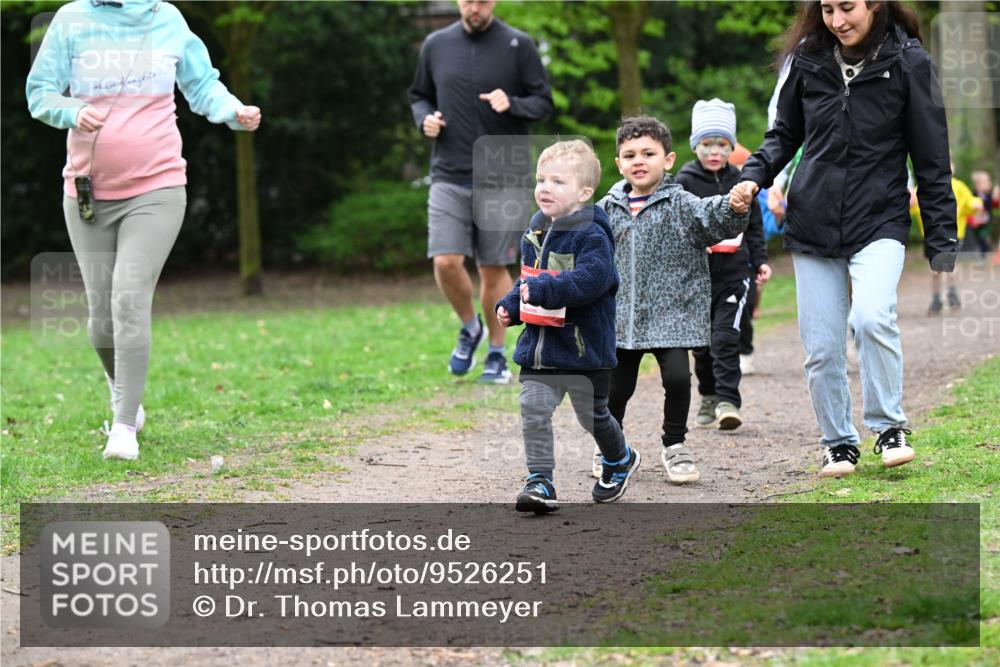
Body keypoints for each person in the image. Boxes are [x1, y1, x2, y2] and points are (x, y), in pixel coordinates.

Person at [26, 0, 261, 461]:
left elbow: (202, 85)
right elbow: (40, 94)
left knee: (129, 298)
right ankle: (126, 394)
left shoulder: (167, 18)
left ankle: (123, 428)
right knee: (100, 320)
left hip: (158, 186)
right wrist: (72, 111)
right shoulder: (72, 19)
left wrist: (233, 110)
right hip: (87, 192)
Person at [732, 0, 957, 478]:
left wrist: (941, 236)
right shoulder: (808, 59)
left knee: (873, 317)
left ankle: (889, 427)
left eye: (848, 7)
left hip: (879, 217)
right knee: (821, 345)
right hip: (812, 219)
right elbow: (784, 134)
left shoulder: (911, 63)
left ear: (875, 4)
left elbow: (933, 157)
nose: (838, 20)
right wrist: (755, 177)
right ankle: (838, 442)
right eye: (828, 9)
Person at [596, 116, 750, 484]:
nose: (639, 160)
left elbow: (710, 217)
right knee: (617, 388)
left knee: (679, 379)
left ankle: (675, 445)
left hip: (672, 313)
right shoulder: (606, 209)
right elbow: (584, 250)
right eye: (630, 154)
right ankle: (612, 450)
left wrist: (734, 206)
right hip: (623, 316)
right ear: (618, 163)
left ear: (667, 160)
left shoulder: (680, 202)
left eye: (648, 153)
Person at [408, 0, 553, 384]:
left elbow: (543, 102)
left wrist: (514, 103)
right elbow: (419, 95)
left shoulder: (518, 44)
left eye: (483, 0)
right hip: (449, 172)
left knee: (493, 269)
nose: (476, 7)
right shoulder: (435, 44)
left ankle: (496, 352)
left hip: (503, 172)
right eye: (469, 0)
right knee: (445, 261)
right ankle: (469, 326)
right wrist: (425, 118)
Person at [495, 140, 639, 513]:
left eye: (557, 181)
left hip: (583, 348)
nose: (544, 187)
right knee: (533, 410)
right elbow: (528, 278)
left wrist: (543, 289)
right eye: (541, 179)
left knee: (592, 415)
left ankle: (619, 457)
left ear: (583, 193)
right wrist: (512, 304)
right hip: (540, 348)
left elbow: (593, 280)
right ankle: (540, 479)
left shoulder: (591, 233)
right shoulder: (537, 229)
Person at [676, 99, 771, 431]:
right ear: (695, 146)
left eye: (722, 144)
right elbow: (678, 225)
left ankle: (729, 401)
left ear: (732, 147)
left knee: (726, 337)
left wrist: (759, 261)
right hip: (697, 276)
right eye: (706, 144)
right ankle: (709, 395)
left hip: (734, 273)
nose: (714, 151)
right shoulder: (683, 182)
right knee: (701, 345)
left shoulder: (743, 181)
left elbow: (755, 225)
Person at [910, 165, 980, 314]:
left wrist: (976, 204)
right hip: (931, 236)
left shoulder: (959, 187)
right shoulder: (924, 185)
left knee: (950, 267)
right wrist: (911, 203)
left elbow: (970, 202)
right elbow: (914, 205)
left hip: (954, 235)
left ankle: (952, 295)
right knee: (935, 271)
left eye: (950, 162)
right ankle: (936, 300)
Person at [966, 170, 997, 259]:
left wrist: (995, 197)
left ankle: (984, 253)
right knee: (978, 238)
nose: (987, 184)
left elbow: (994, 205)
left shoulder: (990, 195)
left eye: (988, 182)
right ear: (977, 184)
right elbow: (969, 206)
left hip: (987, 220)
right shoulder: (973, 194)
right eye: (984, 182)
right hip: (976, 221)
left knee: (983, 236)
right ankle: (984, 249)